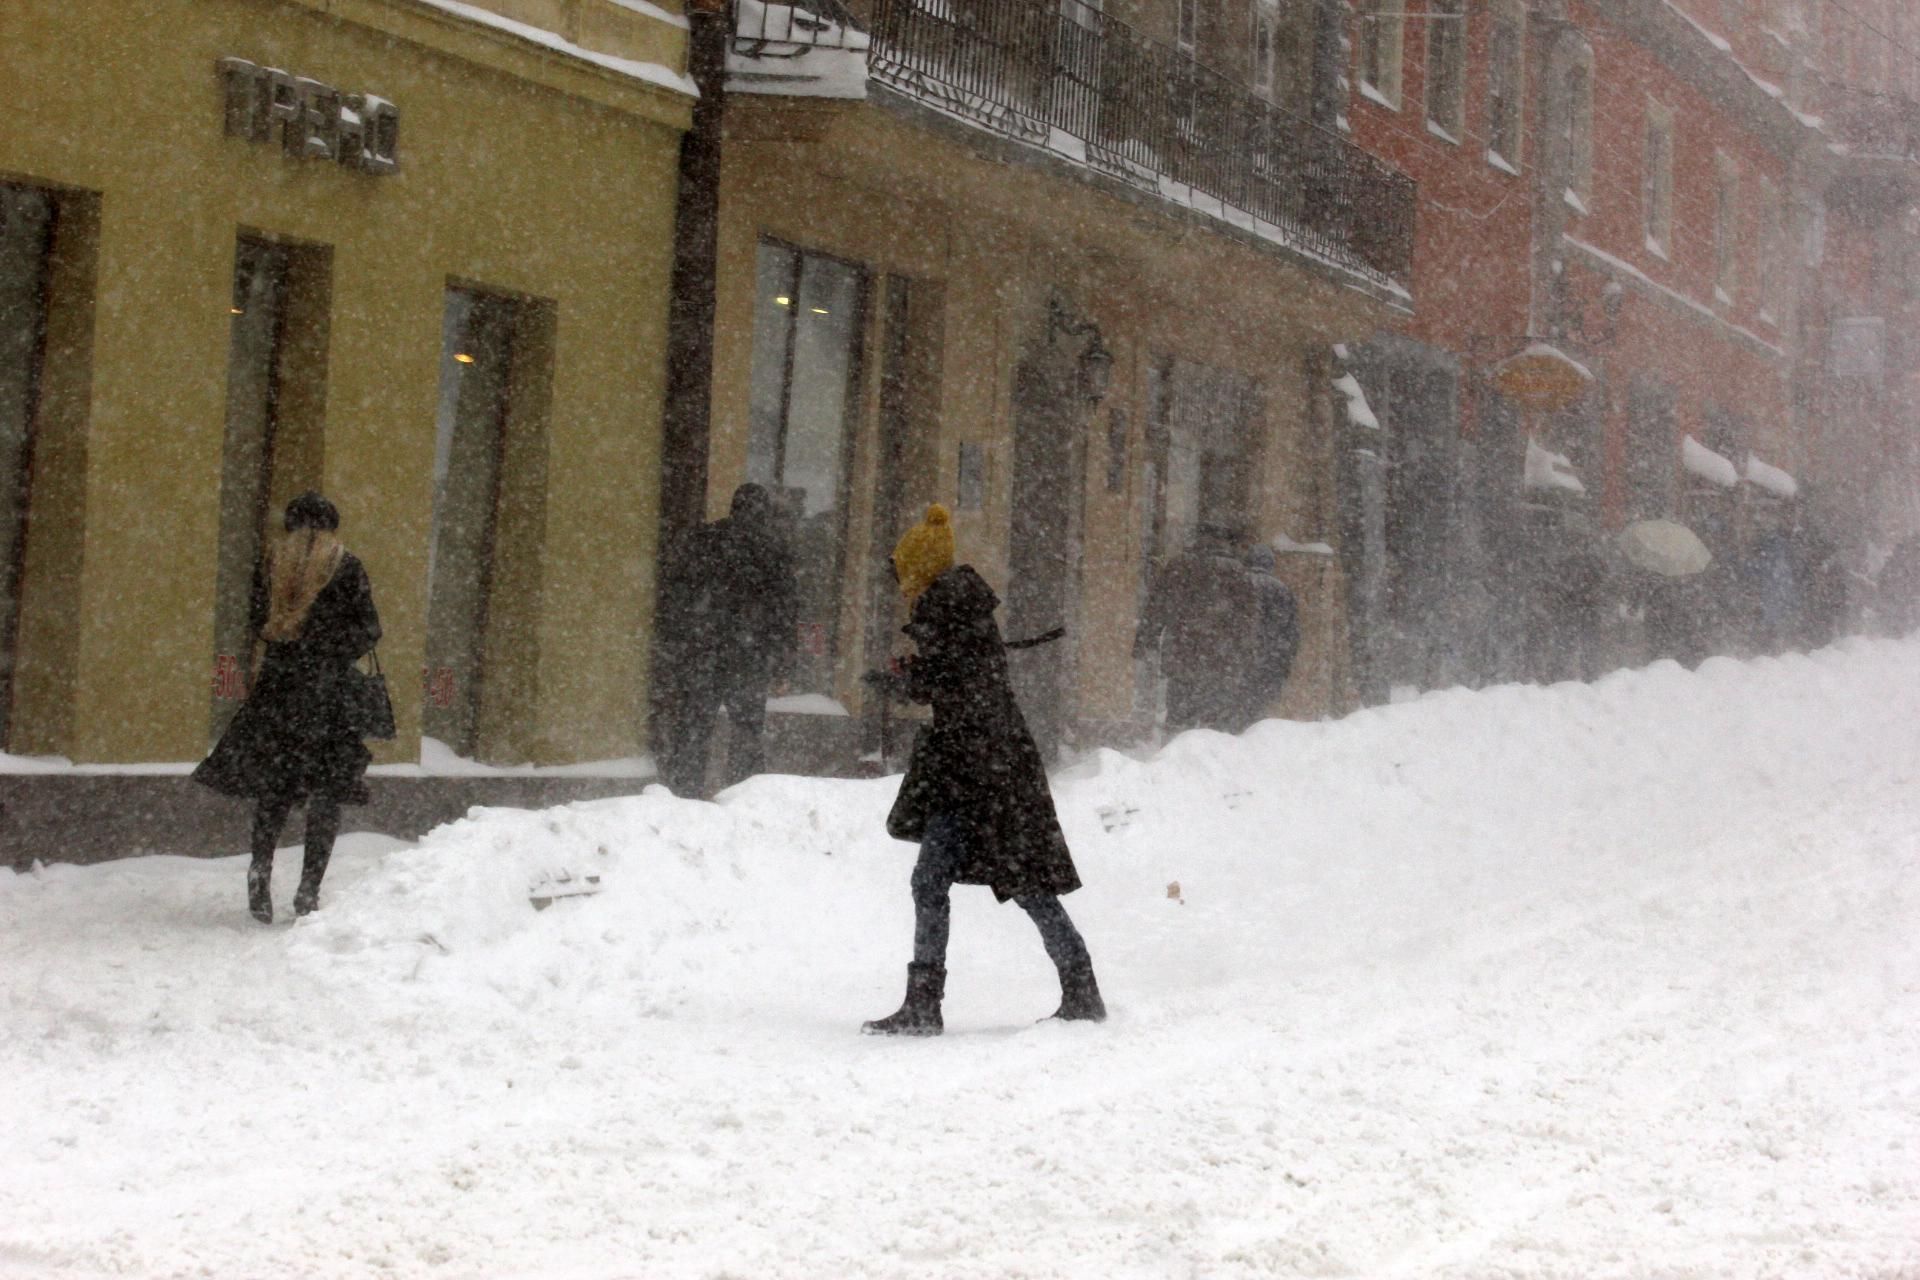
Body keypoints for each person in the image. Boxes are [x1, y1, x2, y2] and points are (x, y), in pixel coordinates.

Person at [864, 504, 1104, 1036]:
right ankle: (1074, 987)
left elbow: (961, 686)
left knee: (999, 881)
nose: (899, 584)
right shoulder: (956, 608)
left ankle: (1072, 989)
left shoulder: (947, 610)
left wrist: (909, 681)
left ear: (918, 570)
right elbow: (961, 679)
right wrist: (917, 675)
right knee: (990, 880)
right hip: (982, 765)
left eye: (902, 572)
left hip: (983, 771)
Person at [193, 492, 382, 923]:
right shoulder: (346, 565)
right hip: (328, 695)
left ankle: (259, 874)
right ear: (331, 526)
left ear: (291, 525)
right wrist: (332, 650)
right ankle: (308, 891)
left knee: (275, 788)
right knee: (327, 793)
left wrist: (289, 646)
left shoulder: (271, 565)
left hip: (278, 692)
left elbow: (257, 621)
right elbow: (370, 628)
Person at [653, 483, 798, 799]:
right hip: (750, 655)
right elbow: (785, 608)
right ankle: (741, 794)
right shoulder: (772, 548)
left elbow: (677, 592)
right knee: (747, 730)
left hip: (705, 648)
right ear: (764, 511)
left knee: (695, 725)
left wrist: (678, 638)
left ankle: (685, 791)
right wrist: (784, 655)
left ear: (734, 506)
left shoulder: (704, 539)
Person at [1134, 523, 1260, 733]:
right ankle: (1209, 755)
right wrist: (1246, 652)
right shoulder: (1238, 572)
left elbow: (1156, 607)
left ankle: (1173, 754)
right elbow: (1247, 618)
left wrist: (1146, 640)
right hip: (1221, 657)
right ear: (1225, 542)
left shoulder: (1178, 566)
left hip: (1181, 653)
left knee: (1178, 713)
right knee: (1215, 718)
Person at [1243, 544, 1300, 718]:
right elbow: (1292, 634)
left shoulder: (1239, 582)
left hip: (1237, 661)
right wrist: (1284, 661)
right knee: (1261, 714)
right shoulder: (1283, 590)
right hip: (1270, 661)